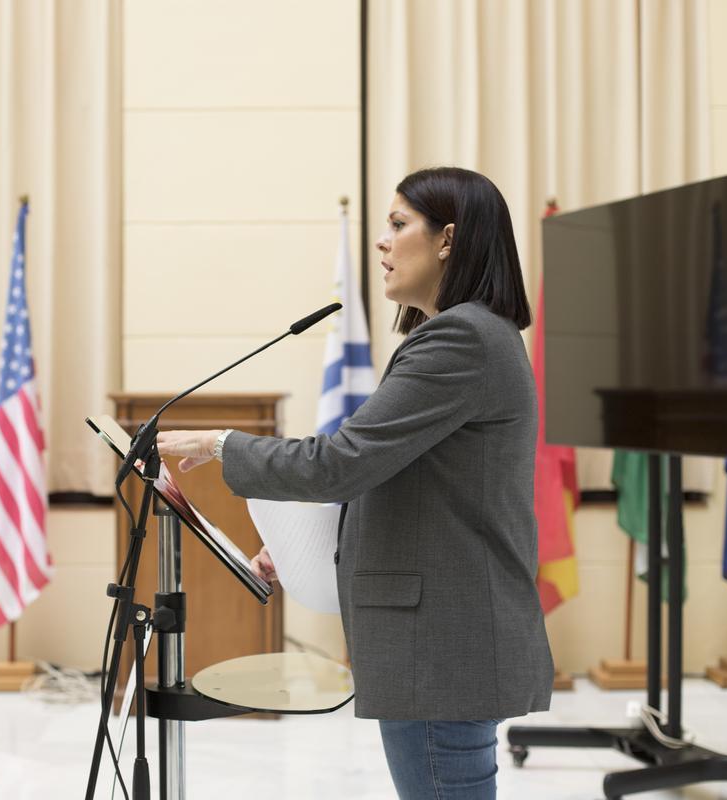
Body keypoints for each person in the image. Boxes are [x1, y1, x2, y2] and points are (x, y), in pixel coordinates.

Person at [156, 166, 554, 799]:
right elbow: (392, 474)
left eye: (399, 225)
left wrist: (221, 444)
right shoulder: (471, 335)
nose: (382, 241)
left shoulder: (461, 339)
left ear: (447, 240)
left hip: (442, 644)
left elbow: (340, 462)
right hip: (449, 638)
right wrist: (298, 544)